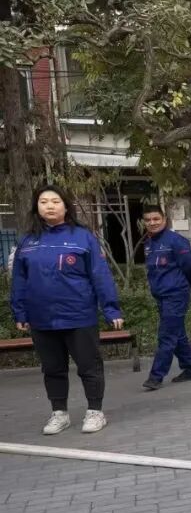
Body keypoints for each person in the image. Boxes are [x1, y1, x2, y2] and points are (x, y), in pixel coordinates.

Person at [9, 185, 124, 435]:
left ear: (65, 206)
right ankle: (59, 413)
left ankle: (95, 411)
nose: (49, 206)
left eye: (55, 201)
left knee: (89, 366)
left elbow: (100, 275)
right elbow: (19, 279)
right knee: (52, 369)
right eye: (43, 202)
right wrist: (20, 311)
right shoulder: (28, 241)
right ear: (36, 207)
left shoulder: (83, 237)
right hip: (42, 319)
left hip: (79, 316)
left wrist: (111, 309)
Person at [141, 204, 191, 390]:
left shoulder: (176, 241)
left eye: (156, 219)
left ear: (164, 219)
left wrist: (184, 286)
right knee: (177, 333)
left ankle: (156, 377)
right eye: (148, 220)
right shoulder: (149, 243)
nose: (152, 223)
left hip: (175, 295)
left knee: (166, 335)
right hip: (161, 295)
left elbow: (190, 267)